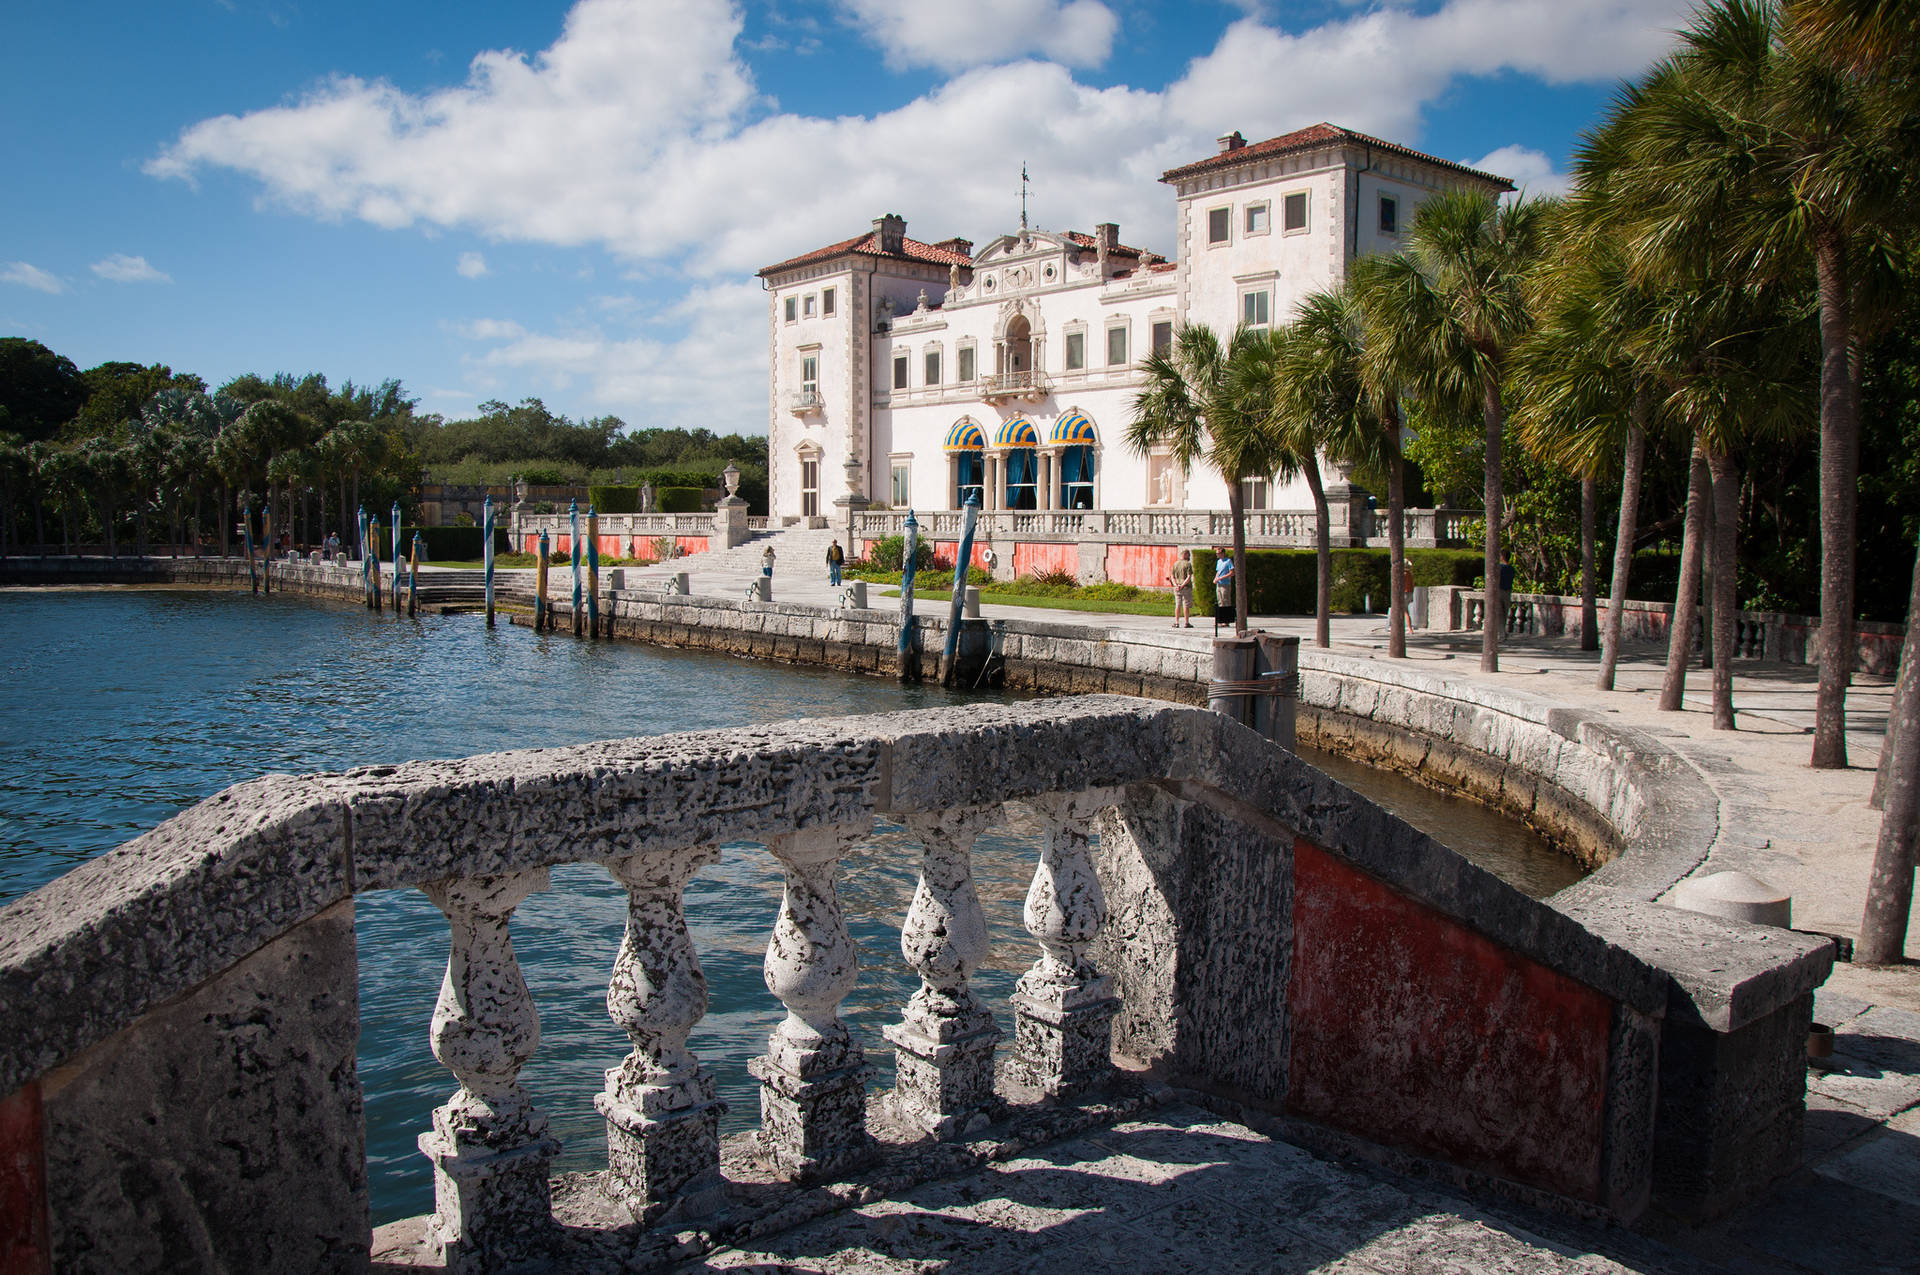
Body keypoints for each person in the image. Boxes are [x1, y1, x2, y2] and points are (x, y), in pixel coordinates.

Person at [1169, 553, 1194, 628]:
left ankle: (1177, 622)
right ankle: (1186, 622)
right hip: (1185, 587)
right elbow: (1189, 576)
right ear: (1185, 555)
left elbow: (1172, 577)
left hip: (1177, 587)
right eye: (1188, 555)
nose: (1189, 557)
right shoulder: (1188, 564)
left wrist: (1176, 585)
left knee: (1178, 605)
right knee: (1186, 605)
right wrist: (1182, 585)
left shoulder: (1175, 564)